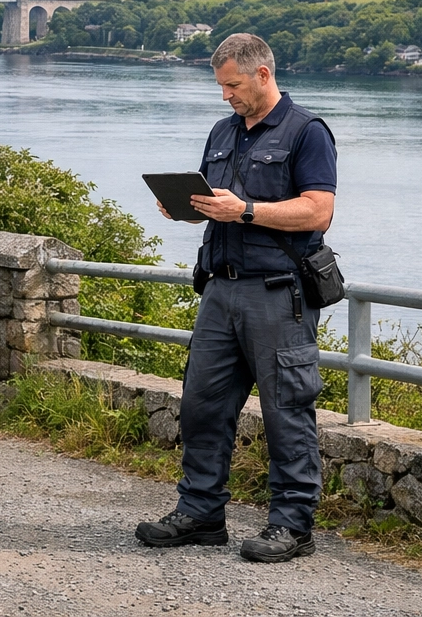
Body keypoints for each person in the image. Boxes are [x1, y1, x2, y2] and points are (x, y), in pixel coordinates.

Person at [136, 32, 337, 562]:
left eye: (233, 85)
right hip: (220, 289)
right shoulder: (223, 131)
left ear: (263, 74)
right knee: (201, 406)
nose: (226, 95)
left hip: (277, 294)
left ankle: (292, 526)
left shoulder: (306, 132)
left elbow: (318, 211)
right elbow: (220, 200)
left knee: (286, 411)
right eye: (221, 86)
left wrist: (244, 210)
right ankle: (200, 514)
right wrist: (189, 206)